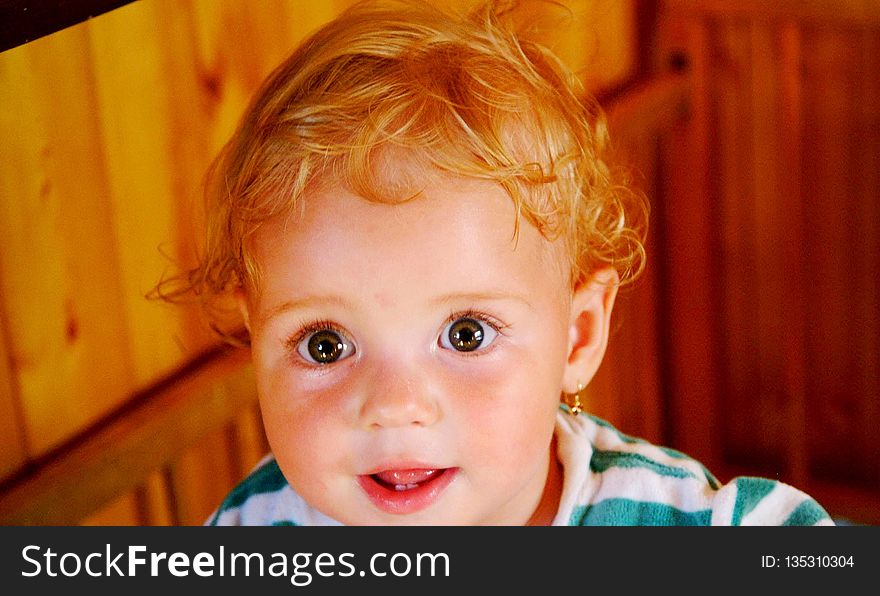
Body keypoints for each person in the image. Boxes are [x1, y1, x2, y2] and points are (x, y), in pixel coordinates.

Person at [165, 0, 833, 525]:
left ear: (577, 336)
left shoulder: (670, 523)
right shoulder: (254, 528)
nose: (394, 408)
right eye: (325, 343)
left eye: (466, 334)